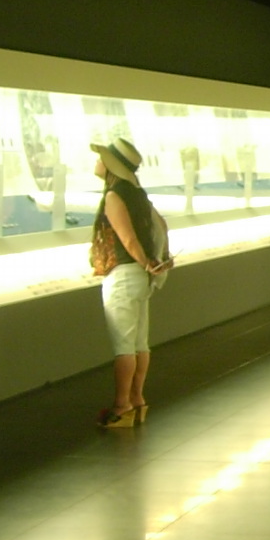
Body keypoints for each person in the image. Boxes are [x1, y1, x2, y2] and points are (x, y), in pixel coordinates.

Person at [89, 138, 170, 428]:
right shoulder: (138, 193)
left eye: (102, 158)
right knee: (139, 343)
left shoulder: (114, 196)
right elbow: (162, 226)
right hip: (142, 278)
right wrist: (159, 260)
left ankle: (122, 406)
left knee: (124, 347)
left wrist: (145, 260)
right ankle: (138, 401)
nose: (97, 162)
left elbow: (127, 239)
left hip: (123, 276)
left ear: (111, 165)